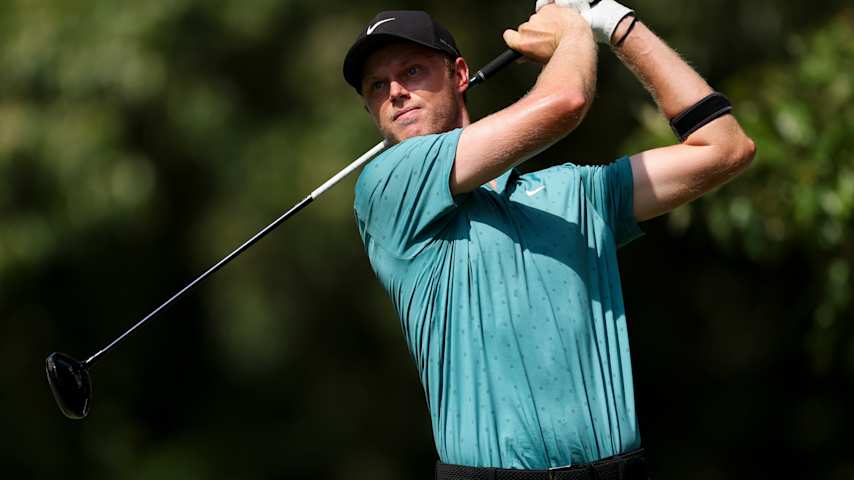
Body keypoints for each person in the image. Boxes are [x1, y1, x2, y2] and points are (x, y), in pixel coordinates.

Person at [343, 1, 755, 478]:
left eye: (411, 71)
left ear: (459, 74)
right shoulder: (386, 187)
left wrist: (615, 24)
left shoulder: (575, 192)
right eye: (377, 85)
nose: (395, 92)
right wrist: (573, 32)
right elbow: (565, 103)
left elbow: (725, 148)